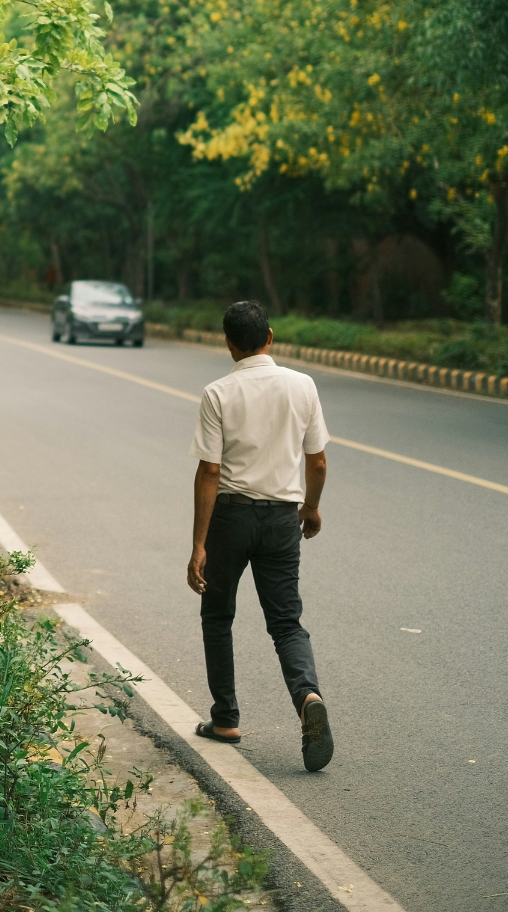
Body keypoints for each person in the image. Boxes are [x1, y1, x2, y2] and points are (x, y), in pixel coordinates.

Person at [186, 299, 333, 772]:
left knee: (217, 617)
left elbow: (210, 472)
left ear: (229, 345)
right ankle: (308, 696)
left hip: (231, 519)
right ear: (269, 337)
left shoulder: (218, 393)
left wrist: (199, 545)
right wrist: (310, 507)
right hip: (282, 521)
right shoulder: (303, 385)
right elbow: (317, 461)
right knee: (286, 623)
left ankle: (226, 719)